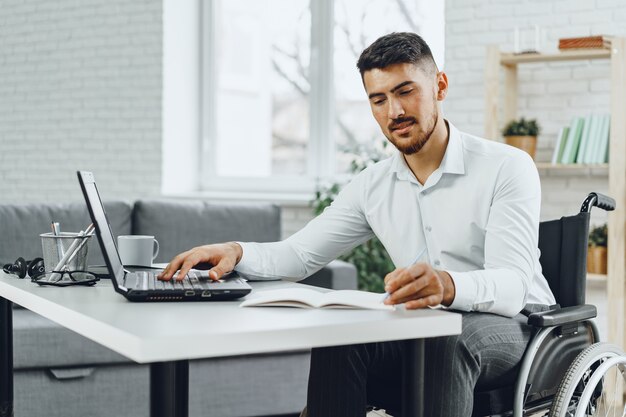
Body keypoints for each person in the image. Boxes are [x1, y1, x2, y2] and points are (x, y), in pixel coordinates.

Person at [159, 32, 556, 417]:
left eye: (405, 91)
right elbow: (298, 255)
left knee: (446, 341)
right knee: (341, 337)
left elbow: (512, 285)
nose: (394, 113)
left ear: (440, 85)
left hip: (521, 325)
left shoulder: (506, 167)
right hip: (430, 327)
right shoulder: (372, 185)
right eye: (378, 99)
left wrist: (448, 285)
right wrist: (236, 251)